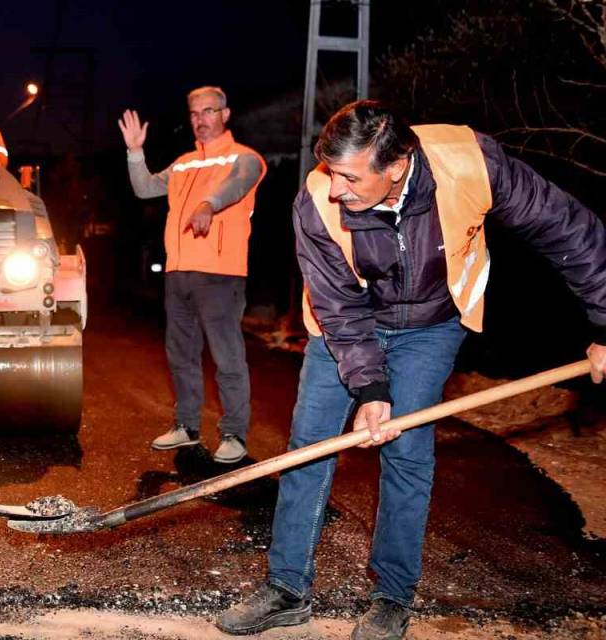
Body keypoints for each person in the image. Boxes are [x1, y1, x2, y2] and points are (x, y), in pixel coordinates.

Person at [217, 100, 606, 639]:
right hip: (344, 323)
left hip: (433, 323)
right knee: (310, 443)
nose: (335, 188)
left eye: (349, 176)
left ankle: (391, 596)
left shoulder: (468, 162)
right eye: (332, 172)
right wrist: (371, 388)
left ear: (396, 166)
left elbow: (569, 231)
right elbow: (338, 307)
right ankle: (286, 587)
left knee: (407, 448)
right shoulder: (316, 200)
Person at [118, 86, 266, 464]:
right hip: (178, 272)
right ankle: (186, 426)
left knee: (226, 356)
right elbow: (143, 188)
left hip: (220, 273)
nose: (201, 119)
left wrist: (207, 204)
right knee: (181, 353)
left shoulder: (245, 158)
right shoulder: (183, 164)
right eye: (195, 113)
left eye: (209, 111)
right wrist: (135, 152)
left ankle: (234, 433)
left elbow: (237, 186)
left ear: (225, 114)